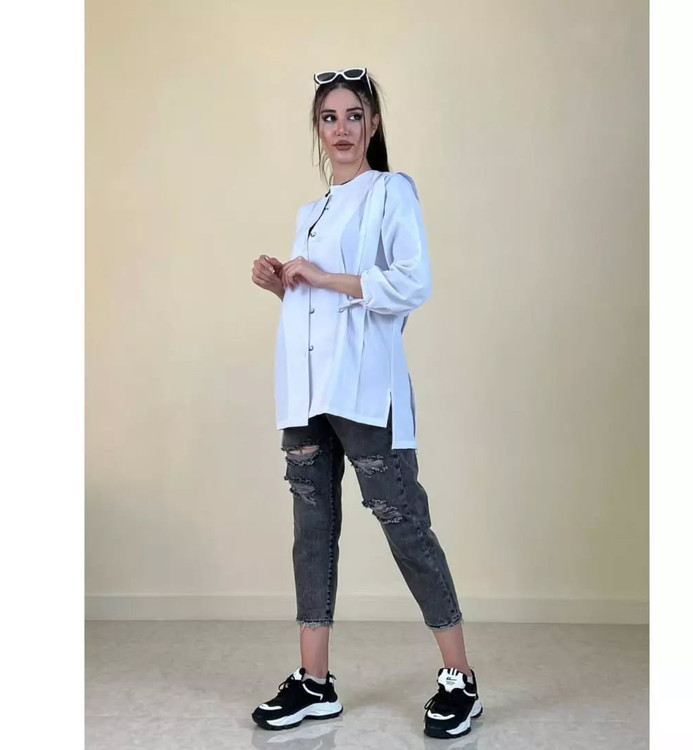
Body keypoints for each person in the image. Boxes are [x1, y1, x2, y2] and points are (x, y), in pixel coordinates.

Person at [250, 68, 482, 740]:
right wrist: (283, 284)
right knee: (312, 530)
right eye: (330, 117)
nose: (343, 129)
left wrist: (322, 276)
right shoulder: (311, 212)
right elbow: (317, 302)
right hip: (306, 388)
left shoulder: (391, 191)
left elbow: (412, 283)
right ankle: (314, 682)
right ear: (317, 128)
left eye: (355, 115)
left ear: (373, 124)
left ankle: (460, 679)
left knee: (403, 521)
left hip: (364, 388)